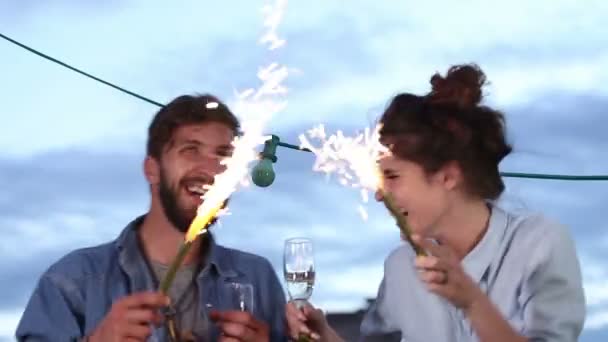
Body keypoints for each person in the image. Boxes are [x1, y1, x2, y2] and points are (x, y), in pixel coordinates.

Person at [285, 64, 586, 341]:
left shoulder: (538, 243)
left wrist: (470, 301)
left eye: (392, 175)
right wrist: (325, 336)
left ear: (447, 177)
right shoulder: (401, 266)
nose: (379, 194)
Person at [16, 94, 287, 342]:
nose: (210, 169)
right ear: (152, 170)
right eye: (191, 150)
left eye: (223, 155)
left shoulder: (257, 278)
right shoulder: (74, 279)